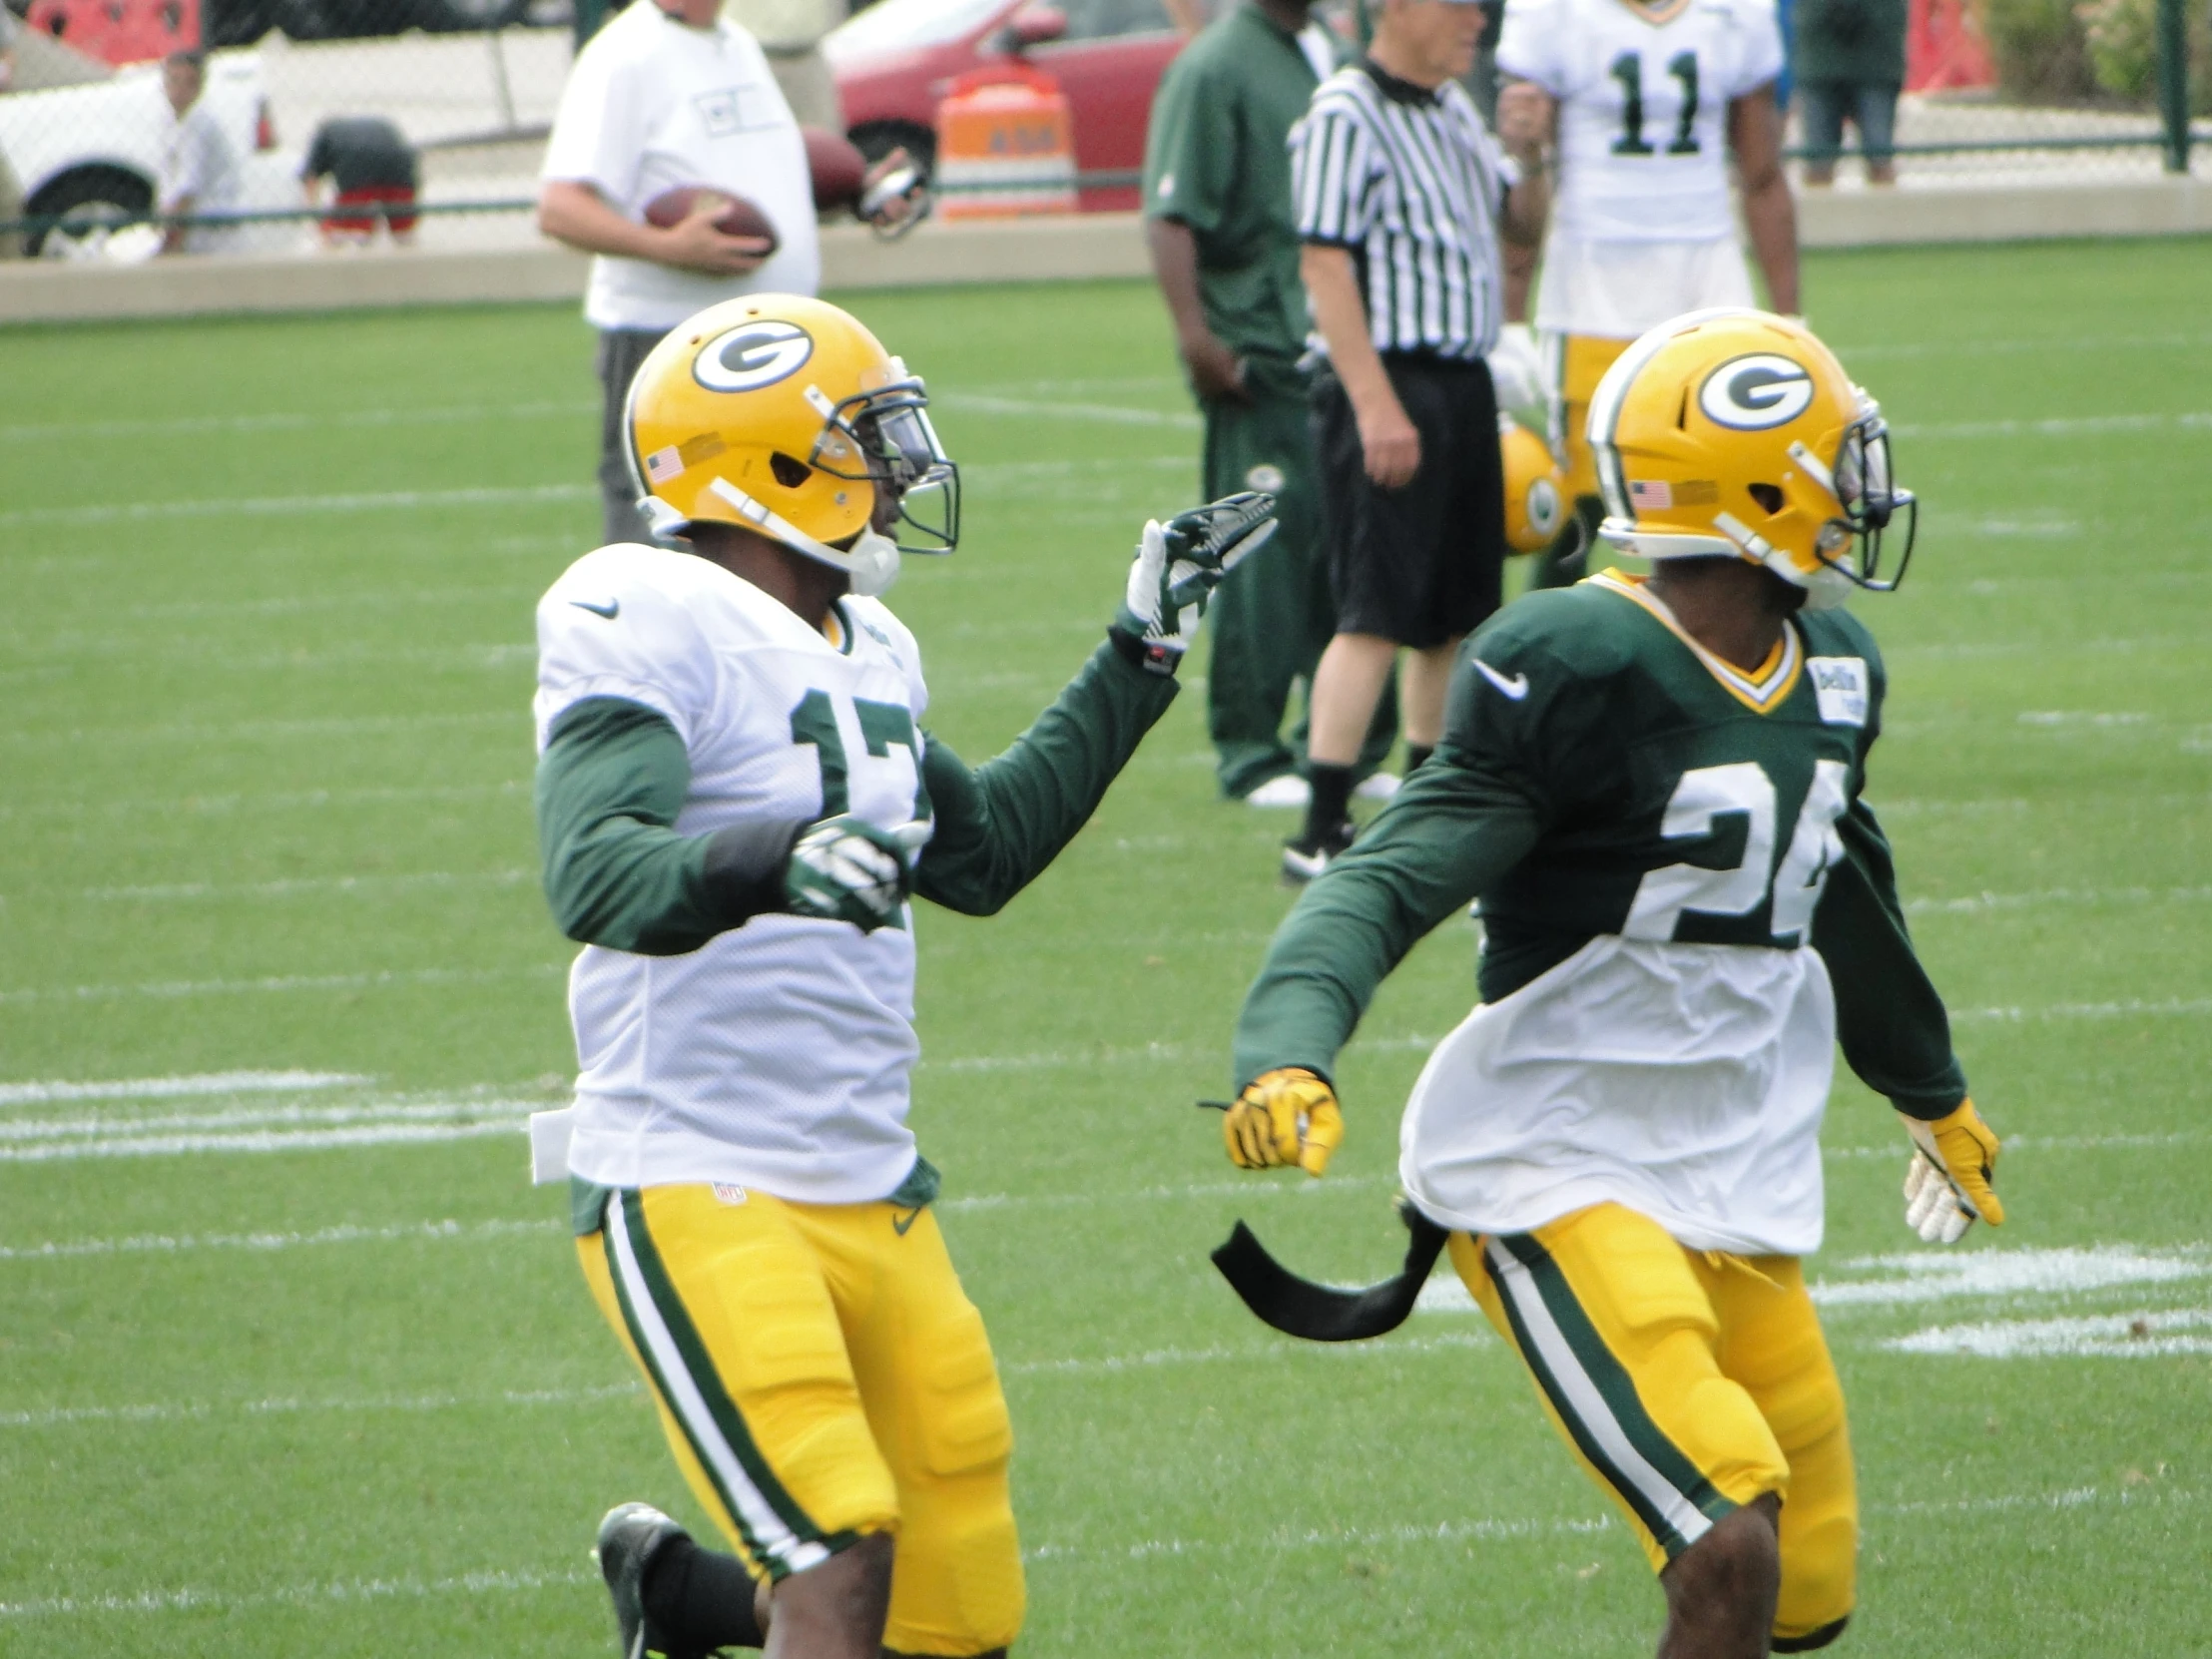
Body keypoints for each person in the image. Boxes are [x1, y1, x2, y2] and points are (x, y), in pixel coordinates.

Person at [1218, 308, 2007, 1656]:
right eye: (1836, 456)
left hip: (1731, 1162)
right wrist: (1288, 1043)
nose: (1865, 488)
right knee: (1727, 1528)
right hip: (1554, 1154)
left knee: (1802, 1579)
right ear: (1754, 486)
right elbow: (1386, 873)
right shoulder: (1576, 659)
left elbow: (1843, 890)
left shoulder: (1832, 666)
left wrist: (1930, 1089)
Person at [531, 291, 1274, 1659]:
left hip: (869, 1174)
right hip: (695, 1166)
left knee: (958, 1606)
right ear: (772, 463)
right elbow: (596, 870)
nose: (905, 464)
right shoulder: (644, 607)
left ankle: (681, 1602)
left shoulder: (870, 645)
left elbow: (981, 850)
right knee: (838, 1549)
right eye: (868, 437)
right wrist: (773, 858)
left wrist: (1140, 649)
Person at [1282, 0, 1549, 878]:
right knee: (1377, 610)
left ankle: (1426, 799)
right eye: (1459, 4)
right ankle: (1321, 826)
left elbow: (1519, 229)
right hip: (1389, 376)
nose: (1478, 20)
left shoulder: (1450, 108)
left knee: (1455, 616)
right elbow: (1324, 264)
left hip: (1462, 382)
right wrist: (1375, 405)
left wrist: (1530, 154)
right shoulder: (1345, 113)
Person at [1141, 0, 1400, 809]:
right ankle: (1252, 754)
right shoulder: (1216, 63)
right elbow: (1172, 213)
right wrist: (1199, 340)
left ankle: (1346, 747)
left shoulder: (1322, 49)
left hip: (1333, 348)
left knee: (1351, 553)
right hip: (1261, 352)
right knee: (1261, 561)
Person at [538, 0, 910, 545]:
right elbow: (559, 208)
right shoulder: (624, 53)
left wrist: (856, 195)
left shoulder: (734, 42)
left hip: (766, 340)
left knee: (770, 505)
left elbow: (756, 177)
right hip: (669, 342)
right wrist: (666, 246)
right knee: (665, 505)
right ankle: (647, 631)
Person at [1494, 0, 1799, 590]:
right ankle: (1550, 667)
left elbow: (1762, 174)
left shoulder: (1738, 13)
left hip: (1706, 284)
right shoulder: (1556, 13)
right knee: (1576, 513)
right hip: (1591, 285)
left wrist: (1791, 318)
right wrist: (1511, 318)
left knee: (1724, 495)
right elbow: (1526, 173)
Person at [1793, 0, 1908, 188]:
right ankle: (1818, 215)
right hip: (1820, 58)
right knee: (1818, 164)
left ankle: (1885, 214)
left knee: (1880, 159)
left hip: (1876, 58)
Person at [157, 49, 244, 256]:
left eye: (189, 82)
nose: (179, 89)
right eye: (173, 80)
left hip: (212, 233)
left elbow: (188, 189)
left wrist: (171, 239)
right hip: (198, 231)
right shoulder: (174, 122)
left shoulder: (198, 122)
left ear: (200, 86)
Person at [300, 116, 420, 246]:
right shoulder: (382, 125)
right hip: (400, 169)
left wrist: (314, 219)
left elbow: (310, 179)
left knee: (339, 234)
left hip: (360, 173)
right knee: (403, 234)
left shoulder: (324, 134)